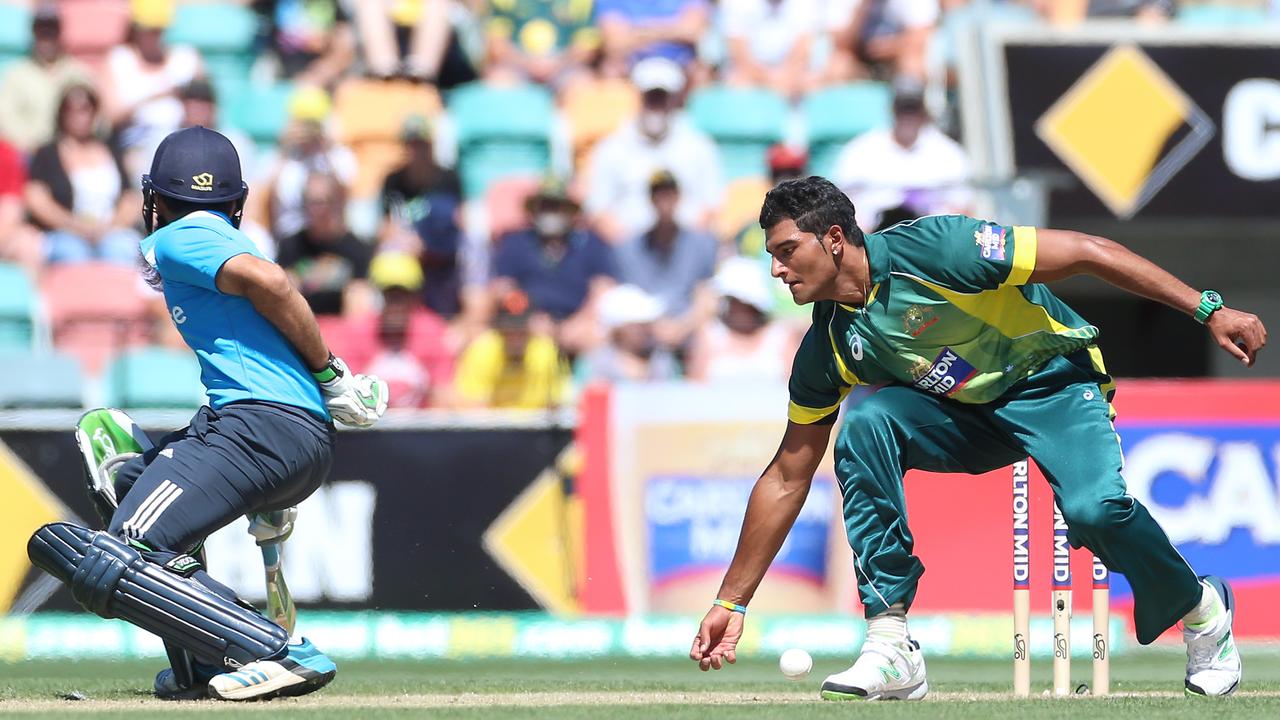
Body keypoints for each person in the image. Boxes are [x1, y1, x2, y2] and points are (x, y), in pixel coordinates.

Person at [688, 176, 1264, 698]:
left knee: (1094, 511)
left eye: (787, 252)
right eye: (772, 257)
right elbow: (789, 475)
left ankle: (1201, 611)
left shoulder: (938, 249)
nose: (777, 271)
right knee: (865, 425)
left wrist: (1206, 310)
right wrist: (731, 600)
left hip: (1053, 384)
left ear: (834, 238)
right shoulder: (828, 346)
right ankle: (890, 643)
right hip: (966, 418)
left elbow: (1090, 252)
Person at [26, 126, 387, 702]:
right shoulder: (226, 242)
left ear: (156, 199)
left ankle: (275, 652)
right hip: (283, 432)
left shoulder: (182, 236)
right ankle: (203, 663)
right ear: (235, 201)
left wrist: (329, 372)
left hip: (257, 427)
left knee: (124, 550)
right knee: (131, 495)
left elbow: (274, 282)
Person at [584, 56, 723, 244]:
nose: (656, 105)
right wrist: (633, 253)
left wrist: (681, 247)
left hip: (685, 248)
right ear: (639, 97)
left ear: (674, 99)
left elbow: (711, 206)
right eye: (651, 97)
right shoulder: (611, 148)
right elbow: (598, 209)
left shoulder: (700, 147)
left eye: (662, 97)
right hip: (626, 250)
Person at [492, 177, 617, 354]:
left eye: (557, 207)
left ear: (571, 212)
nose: (550, 213)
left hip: (580, 323)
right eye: (545, 206)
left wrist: (581, 321)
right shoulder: (515, 242)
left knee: (601, 341)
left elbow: (603, 288)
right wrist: (528, 317)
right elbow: (503, 289)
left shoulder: (590, 242)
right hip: (529, 323)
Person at [830, 77, 972, 233]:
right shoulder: (860, 151)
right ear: (892, 109)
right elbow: (843, 204)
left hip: (932, 239)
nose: (907, 116)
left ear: (923, 110)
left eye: (913, 108)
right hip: (876, 238)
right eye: (902, 109)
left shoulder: (948, 153)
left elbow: (963, 208)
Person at [24, 84, 142, 266]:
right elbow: (36, 198)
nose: (79, 116)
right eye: (72, 110)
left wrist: (110, 227)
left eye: (86, 109)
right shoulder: (47, 153)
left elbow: (130, 198)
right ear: (62, 113)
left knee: (125, 250)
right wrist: (74, 226)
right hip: (63, 232)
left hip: (111, 231)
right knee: (72, 253)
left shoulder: (111, 149)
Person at [614, 170, 718, 352]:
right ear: (651, 199)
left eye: (669, 193)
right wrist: (652, 327)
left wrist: (681, 327)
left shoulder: (701, 243)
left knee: (709, 337)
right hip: (643, 329)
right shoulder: (629, 248)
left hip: (687, 329)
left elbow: (706, 298)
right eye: (659, 194)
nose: (664, 200)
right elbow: (626, 297)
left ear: (678, 197)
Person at [103, 0, 204, 183]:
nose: (154, 35)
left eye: (159, 29)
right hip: (136, 149)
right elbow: (111, 115)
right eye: (148, 29)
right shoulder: (119, 60)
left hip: (182, 144)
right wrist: (156, 96)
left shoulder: (186, 58)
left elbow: (205, 101)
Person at [379, 115, 466, 318]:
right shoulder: (393, 180)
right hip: (405, 250)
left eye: (421, 144)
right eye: (411, 144)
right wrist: (406, 242)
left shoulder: (449, 178)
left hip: (443, 249)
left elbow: (459, 220)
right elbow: (385, 225)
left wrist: (427, 244)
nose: (416, 151)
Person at [277, 172, 377, 317]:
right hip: (302, 326)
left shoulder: (358, 249)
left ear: (336, 203)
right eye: (307, 201)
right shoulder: (291, 246)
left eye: (319, 202)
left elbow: (360, 302)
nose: (312, 209)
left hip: (341, 328)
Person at [0, 3, 93, 154]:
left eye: (52, 30)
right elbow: (5, 120)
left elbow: (99, 119)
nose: (47, 37)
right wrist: (32, 145)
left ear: (60, 32)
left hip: (75, 154)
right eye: (41, 31)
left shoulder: (79, 73)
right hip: (30, 155)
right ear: (33, 33)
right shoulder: (16, 74)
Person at [454, 288, 570, 408]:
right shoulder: (482, 350)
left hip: (535, 425)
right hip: (493, 425)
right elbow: (471, 405)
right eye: (510, 330)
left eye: (520, 329)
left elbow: (558, 402)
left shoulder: (546, 351)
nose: (516, 338)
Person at [686, 256, 795, 382]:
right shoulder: (710, 335)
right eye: (731, 300)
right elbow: (695, 387)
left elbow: (795, 385)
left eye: (739, 302)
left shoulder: (781, 336)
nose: (734, 307)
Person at [575, 284, 681, 383]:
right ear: (617, 329)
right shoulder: (594, 364)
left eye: (647, 323)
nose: (645, 330)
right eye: (637, 325)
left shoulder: (663, 361)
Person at [482, 0, 599, 88]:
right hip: (518, 63)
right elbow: (496, 45)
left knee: (584, 84)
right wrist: (528, 64)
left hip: (564, 65)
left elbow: (585, 49)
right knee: (497, 81)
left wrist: (555, 65)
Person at [251, 0, 357, 88]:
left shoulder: (334, 5)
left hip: (320, 81)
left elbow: (344, 46)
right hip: (280, 75)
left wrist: (318, 76)